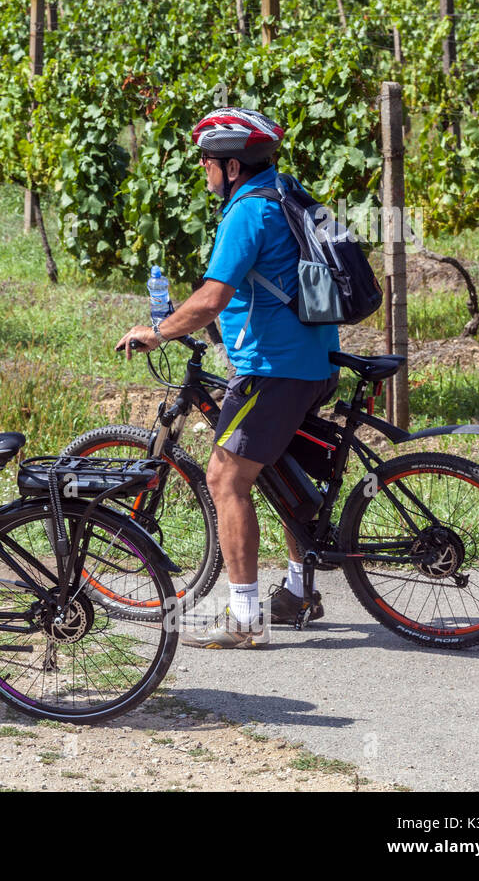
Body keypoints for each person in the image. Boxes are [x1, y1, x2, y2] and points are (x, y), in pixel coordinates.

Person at [114, 107, 340, 648]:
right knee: (288, 478)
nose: (203, 171)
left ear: (231, 167)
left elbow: (215, 296)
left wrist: (160, 331)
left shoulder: (247, 213)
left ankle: (244, 618)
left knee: (225, 478)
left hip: (273, 368)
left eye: (207, 163)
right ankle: (298, 591)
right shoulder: (287, 190)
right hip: (317, 359)